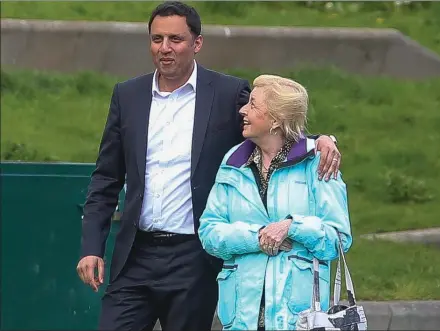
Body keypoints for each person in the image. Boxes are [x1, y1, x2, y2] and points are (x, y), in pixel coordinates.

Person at [75, 2, 342, 331]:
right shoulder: (128, 95)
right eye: (157, 39)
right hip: (136, 254)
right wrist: (91, 247)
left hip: (195, 258)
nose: (165, 48)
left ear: (197, 43)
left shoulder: (227, 92)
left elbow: (272, 126)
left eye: (176, 39)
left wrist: (322, 140)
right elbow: (106, 177)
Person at [198, 74, 352, 330]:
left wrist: (292, 227)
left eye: (253, 105)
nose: (243, 110)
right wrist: (256, 237)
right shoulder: (232, 162)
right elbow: (209, 232)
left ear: (276, 120)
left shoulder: (318, 163)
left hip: (297, 320)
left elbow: (338, 238)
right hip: (241, 319)